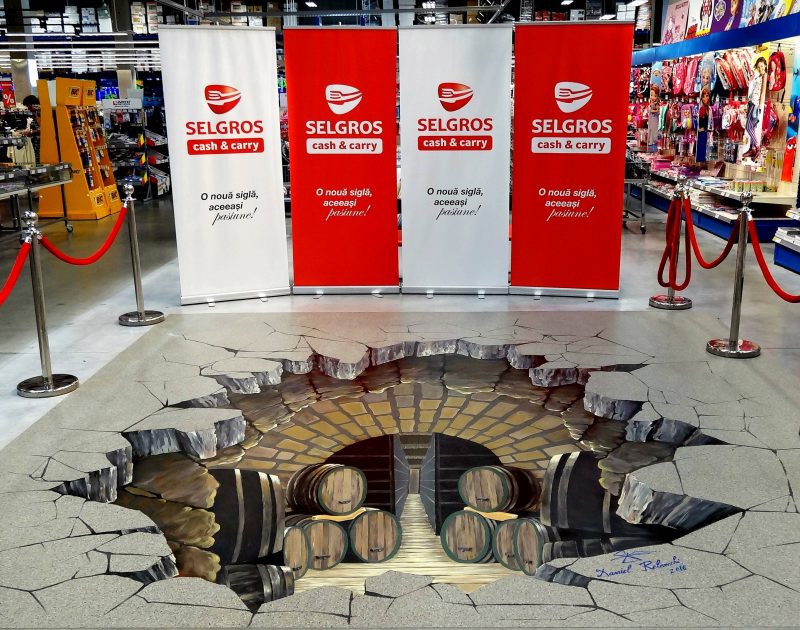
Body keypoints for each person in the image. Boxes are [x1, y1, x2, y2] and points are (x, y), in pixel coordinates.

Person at [743, 57, 767, 159]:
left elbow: (763, 92)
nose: (760, 68)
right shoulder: (759, 76)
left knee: (748, 127)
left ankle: (757, 147)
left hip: (755, 104)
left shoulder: (765, 76)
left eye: (762, 66)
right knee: (751, 127)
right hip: (751, 102)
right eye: (758, 67)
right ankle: (752, 149)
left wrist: (760, 107)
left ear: (765, 65)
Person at [697, 87, 712, 163]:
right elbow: (698, 123)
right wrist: (700, 129)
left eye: (707, 96)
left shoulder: (710, 109)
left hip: (708, 134)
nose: (705, 98)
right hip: (702, 134)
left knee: (707, 154)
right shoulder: (702, 109)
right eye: (703, 96)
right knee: (702, 154)